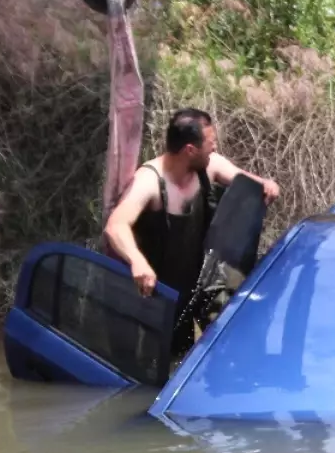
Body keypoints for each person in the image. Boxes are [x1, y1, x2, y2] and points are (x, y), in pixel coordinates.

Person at [104, 107, 280, 354]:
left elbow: (247, 183)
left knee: (190, 357)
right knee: (154, 373)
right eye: (210, 143)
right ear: (190, 150)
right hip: (153, 298)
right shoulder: (150, 180)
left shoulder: (211, 166)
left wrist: (266, 185)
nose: (215, 148)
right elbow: (115, 225)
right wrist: (137, 262)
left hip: (194, 291)